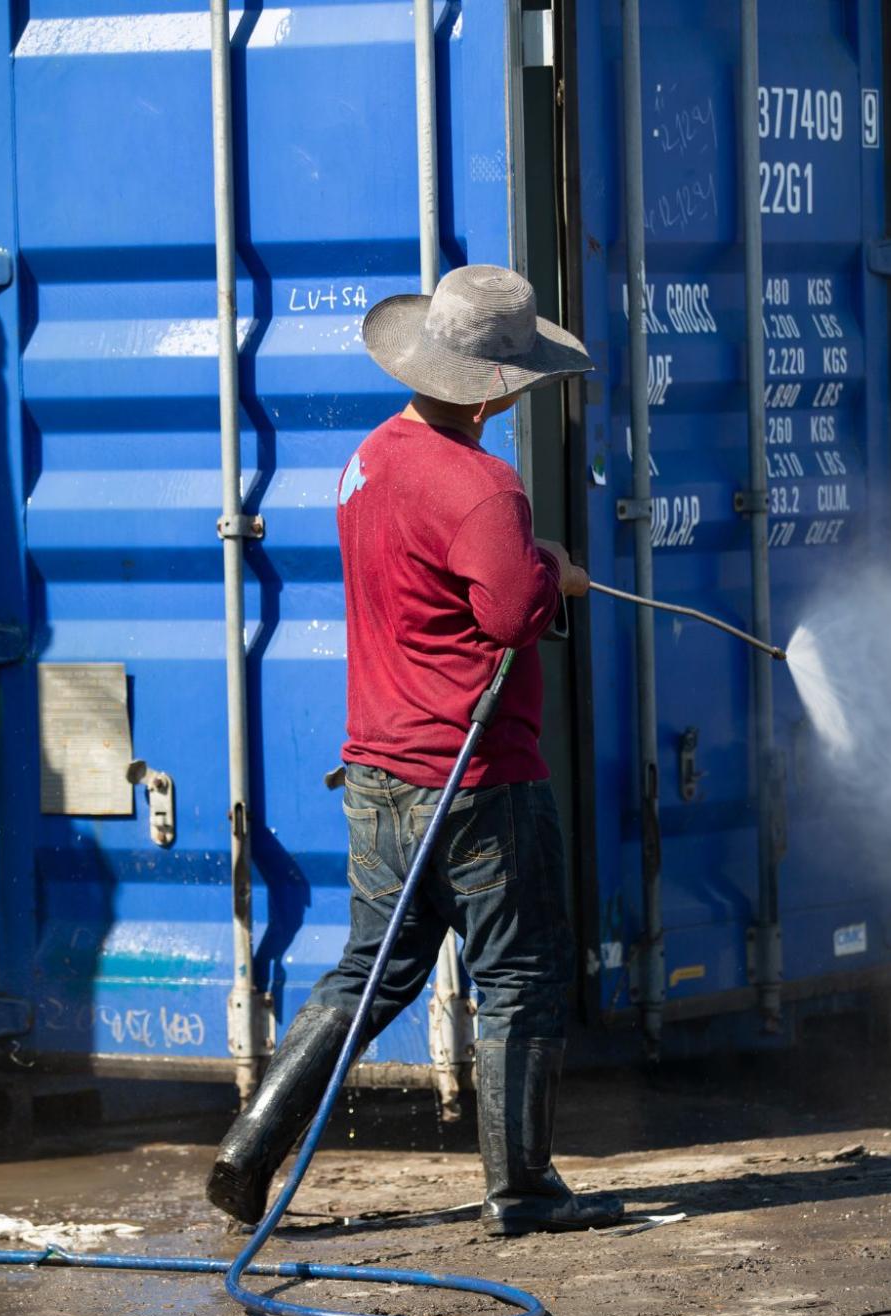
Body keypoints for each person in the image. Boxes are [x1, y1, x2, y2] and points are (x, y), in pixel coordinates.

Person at [205, 264, 623, 1238]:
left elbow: (432, 589)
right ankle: (521, 1191)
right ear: (506, 385)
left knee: (370, 970)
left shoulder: (370, 460)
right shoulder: (485, 486)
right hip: (478, 781)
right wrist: (551, 571)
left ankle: (247, 1149)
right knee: (518, 972)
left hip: (379, 772)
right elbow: (510, 612)